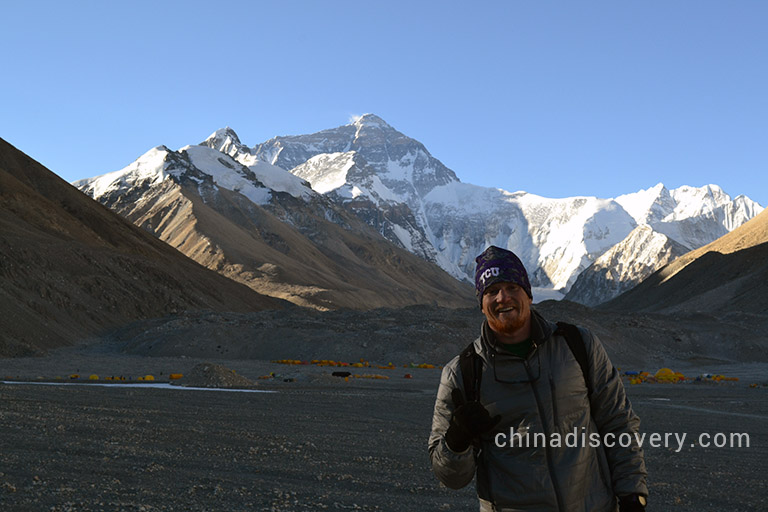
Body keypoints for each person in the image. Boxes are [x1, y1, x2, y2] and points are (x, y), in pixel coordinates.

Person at [429, 246, 648, 512]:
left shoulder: (578, 346)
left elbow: (618, 423)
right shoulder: (462, 373)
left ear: (529, 294)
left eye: (512, 287)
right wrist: (457, 440)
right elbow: (450, 477)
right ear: (481, 304)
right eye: (491, 291)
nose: (503, 297)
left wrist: (632, 494)